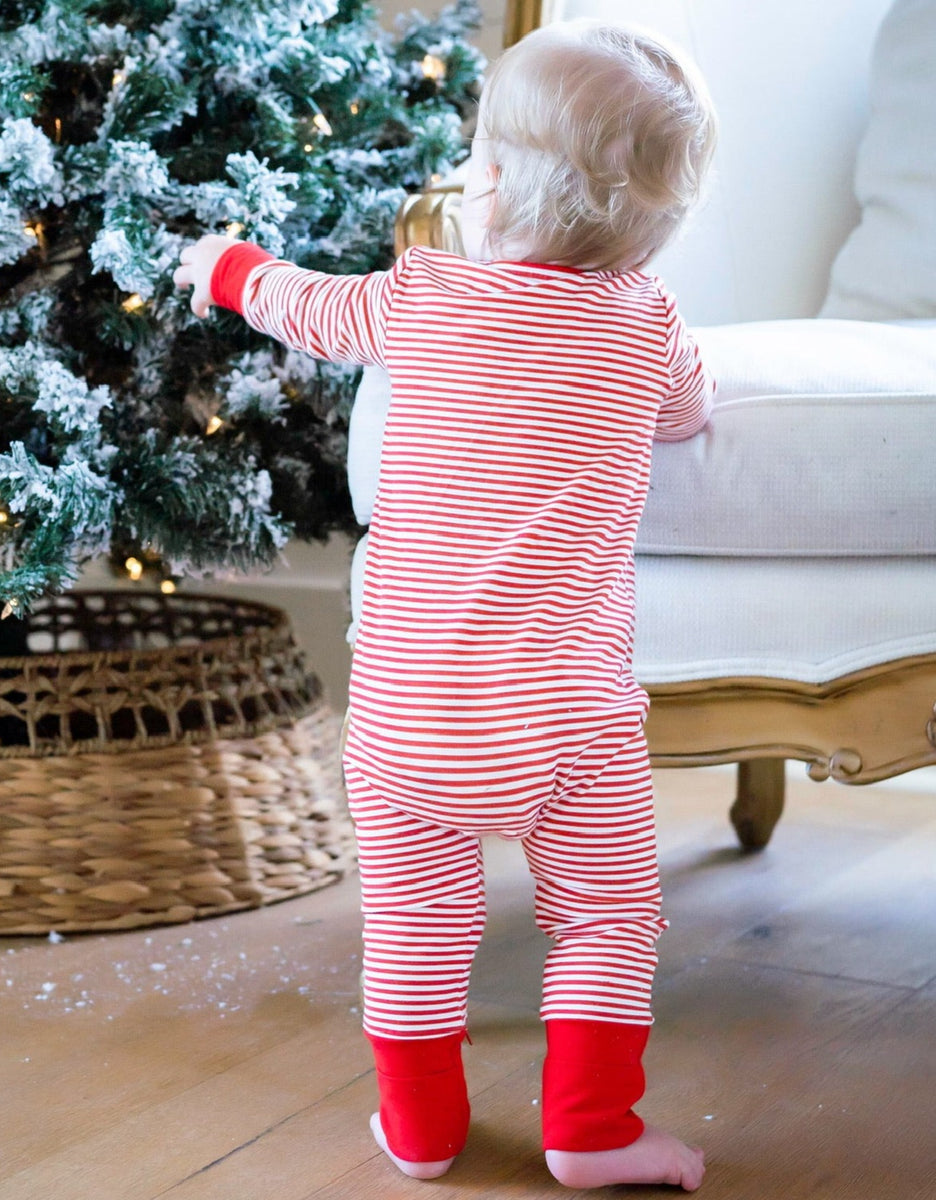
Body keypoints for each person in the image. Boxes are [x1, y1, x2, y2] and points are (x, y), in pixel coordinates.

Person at [175, 18, 717, 1190]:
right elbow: (687, 415)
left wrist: (225, 265)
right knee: (611, 913)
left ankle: (420, 1131)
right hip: (569, 713)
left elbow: (303, 305)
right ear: (651, 225)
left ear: (489, 181)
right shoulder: (647, 325)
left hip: (411, 714)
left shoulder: (418, 297)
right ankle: (591, 1126)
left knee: (418, 924)